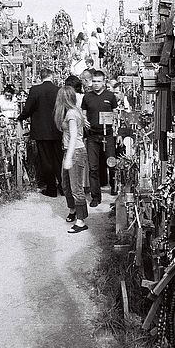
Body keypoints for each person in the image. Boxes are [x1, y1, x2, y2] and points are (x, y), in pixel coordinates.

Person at [18, 69, 63, 197]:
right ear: (51, 76)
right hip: (57, 129)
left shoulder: (35, 90)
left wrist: (20, 118)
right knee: (58, 159)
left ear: (40, 77)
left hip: (41, 131)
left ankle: (51, 189)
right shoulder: (58, 90)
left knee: (46, 160)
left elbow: (28, 108)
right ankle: (63, 187)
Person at [81, 70, 118, 207]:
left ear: (104, 82)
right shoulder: (87, 97)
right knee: (93, 167)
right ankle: (95, 196)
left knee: (111, 163)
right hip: (92, 135)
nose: (96, 84)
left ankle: (114, 186)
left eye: (99, 81)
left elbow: (115, 113)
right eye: (94, 81)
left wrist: (114, 124)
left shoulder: (110, 96)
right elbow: (83, 113)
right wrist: (84, 120)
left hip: (107, 134)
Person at [55, 85, 89, 232]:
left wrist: (68, 158)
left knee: (76, 188)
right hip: (70, 151)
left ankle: (81, 221)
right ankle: (73, 210)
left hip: (74, 151)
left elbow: (74, 136)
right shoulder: (73, 112)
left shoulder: (71, 114)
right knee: (66, 184)